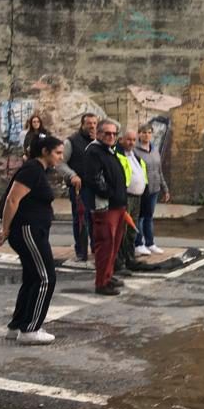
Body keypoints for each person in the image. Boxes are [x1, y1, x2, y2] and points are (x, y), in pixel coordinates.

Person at [0, 134, 64, 345]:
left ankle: (16, 326)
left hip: (32, 230)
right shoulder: (33, 169)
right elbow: (12, 199)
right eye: (58, 153)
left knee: (33, 277)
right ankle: (31, 329)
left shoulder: (36, 169)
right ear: (45, 152)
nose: (61, 157)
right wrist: (5, 230)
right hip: (28, 230)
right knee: (45, 278)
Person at [84, 120, 128, 296]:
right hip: (105, 207)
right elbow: (93, 179)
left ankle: (108, 276)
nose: (111, 137)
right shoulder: (94, 151)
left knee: (114, 245)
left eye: (114, 134)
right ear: (99, 134)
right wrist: (109, 193)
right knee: (106, 244)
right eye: (107, 133)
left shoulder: (109, 151)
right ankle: (101, 283)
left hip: (118, 206)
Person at [56, 114, 98, 263]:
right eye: (89, 124)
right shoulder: (71, 141)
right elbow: (60, 163)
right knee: (81, 220)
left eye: (94, 123)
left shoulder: (99, 140)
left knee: (96, 219)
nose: (92, 126)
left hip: (96, 188)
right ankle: (81, 251)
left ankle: (96, 248)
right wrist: (72, 175)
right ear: (82, 125)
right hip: (80, 188)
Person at [134, 124, 170, 256]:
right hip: (142, 189)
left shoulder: (154, 150)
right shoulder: (135, 151)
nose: (146, 135)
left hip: (154, 189)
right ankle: (138, 244)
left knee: (149, 217)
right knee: (140, 218)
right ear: (139, 134)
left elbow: (159, 171)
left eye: (149, 132)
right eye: (143, 132)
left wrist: (165, 189)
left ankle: (150, 243)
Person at [114, 130, 147, 273]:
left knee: (132, 231)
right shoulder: (117, 155)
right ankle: (120, 262)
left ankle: (130, 258)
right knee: (123, 230)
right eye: (129, 139)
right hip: (125, 197)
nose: (132, 142)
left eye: (134, 140)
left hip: (137, 197)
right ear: (121, 140)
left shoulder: (134, 155)